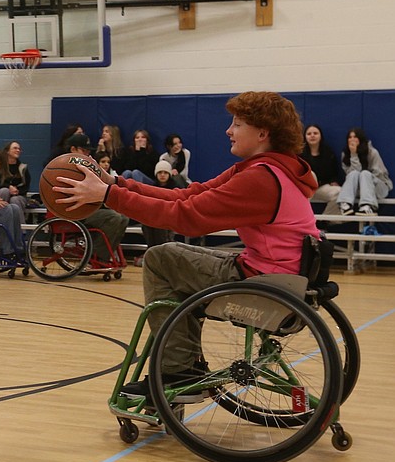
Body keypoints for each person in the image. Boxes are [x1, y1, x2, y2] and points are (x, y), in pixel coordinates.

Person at [54, 91, 319, 396]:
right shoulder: (273, 168)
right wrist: (116, 184)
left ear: (262, 133)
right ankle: (185, 363)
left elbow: (185, 216)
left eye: (237, 124)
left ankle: (178, 370)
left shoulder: (260, 179)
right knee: (172, 256)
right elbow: (186, 195)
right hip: (278, 277)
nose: (228, 130)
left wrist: (107, 197)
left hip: (266, 285)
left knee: (160, 260)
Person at [65, 133, 129, 263]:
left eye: (88, 151)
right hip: (74, 211)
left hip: (88, 208)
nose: (87, 154)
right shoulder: (63, 168)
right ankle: (97, 255)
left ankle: (104, 253)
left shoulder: (87, 168)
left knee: (124, 217)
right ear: (73, 149)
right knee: (114, 217)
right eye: (84, 150)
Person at [336, 127, 391, 216]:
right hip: (359, 189)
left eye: (355, 137)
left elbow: (379, 173)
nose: (352, 139)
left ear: (360, 138)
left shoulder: (372, 152)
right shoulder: (345, 154)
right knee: (354, 174)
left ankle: (368, 206)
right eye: (350, 137)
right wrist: (353, 154)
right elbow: (351, 175)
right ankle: (345, 205)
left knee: (365, 174)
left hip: (379, 187)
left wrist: (363, 177)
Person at [139, 160, 184, 250]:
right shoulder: (152, 188)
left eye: (165, 172)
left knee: (160, 222)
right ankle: (151, 250)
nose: (162, 175)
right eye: (160, 172)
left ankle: (161, 251)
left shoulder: (175, 188)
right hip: (155, 218)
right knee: (147, 221)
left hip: (169, 217)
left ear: (169, 174)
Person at [300, 124, 342, 215]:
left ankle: (323, 221)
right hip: (304, 188)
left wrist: (333, 180)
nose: (312, 136)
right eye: (309, 133)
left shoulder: (328, 153)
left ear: (320, 136)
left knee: (339, 192)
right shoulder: (299, 154)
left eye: (315, 133)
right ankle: (300, 220)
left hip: (321, 188)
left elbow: (334, 173)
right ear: (305, 136)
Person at [0, 140, 31, 210]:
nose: (18, 150)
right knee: (4, 191)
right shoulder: (0, 166)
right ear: (7, 151)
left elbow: (26, 186)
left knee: (15, 200)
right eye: (15, 148)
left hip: (19, 195)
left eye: (19, 149)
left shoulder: (23, 168)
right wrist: (9, 187)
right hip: (3, 194)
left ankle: (19, 221)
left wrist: (17, 191)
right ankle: (0, 217)